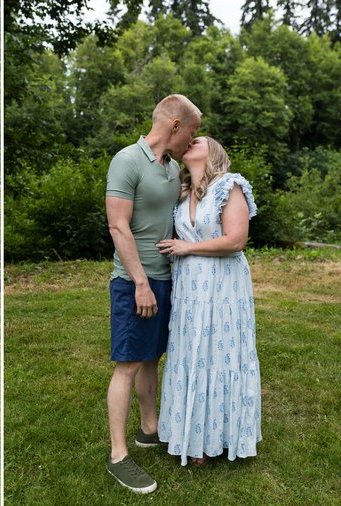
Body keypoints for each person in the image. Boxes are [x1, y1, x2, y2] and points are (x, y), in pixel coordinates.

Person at [104, 94, 201, 494]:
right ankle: (118, 456)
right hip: (133, 281)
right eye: (192, 132)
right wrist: (140, 281)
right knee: (128, 363)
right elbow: (118, 227)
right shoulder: (127, 160)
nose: (193, 140)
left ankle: (149, 428)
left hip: (166, 278)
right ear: (175, 125)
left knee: (151, 358)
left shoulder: (172, 168)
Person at [156, 137, 261, 467]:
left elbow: (236, 239)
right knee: (191, 352)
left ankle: (219, 437)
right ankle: (189, 434)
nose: (189, 142)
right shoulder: (183, 192)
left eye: (197, 140)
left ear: (213, 152)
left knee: (217, 353)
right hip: (188, 288)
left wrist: (187, 248)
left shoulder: (230, 186)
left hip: (222, 287)